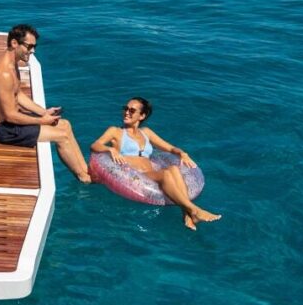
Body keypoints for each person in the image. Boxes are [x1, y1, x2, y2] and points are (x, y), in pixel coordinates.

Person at [90, 97, 221, 230]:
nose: (126, 112)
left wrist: (182, 153)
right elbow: (95, 145)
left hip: (149, 173)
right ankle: (194, 210)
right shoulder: (116, 132)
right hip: (132, 176)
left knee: (174, 168)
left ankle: (187, 214)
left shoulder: (146, 133)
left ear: (142, 116)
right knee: (165, 174)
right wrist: (110, 149)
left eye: (132, 110)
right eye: (125, 109)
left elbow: (169, 148)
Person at [0, 24, 91, 183]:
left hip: (13, 123)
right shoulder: (5, 73)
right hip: (5, 130)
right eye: (29, 46)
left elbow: (18, 94)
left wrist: (43, 112)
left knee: (65, 125)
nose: (33, 51)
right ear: (15, 43)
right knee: (62, 136)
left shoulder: (12, 62)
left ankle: (87, 170)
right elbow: (9, 115)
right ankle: (84, 178)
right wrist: (42, 121)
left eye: (35, 46)